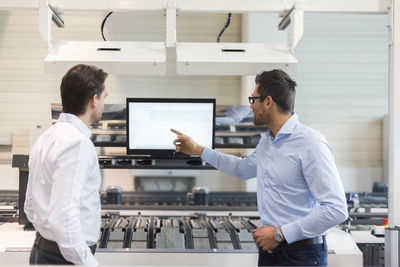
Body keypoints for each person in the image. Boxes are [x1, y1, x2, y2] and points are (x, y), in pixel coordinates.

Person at [171, 69, 348, 267]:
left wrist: (280, 234)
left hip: (302, 255)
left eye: (253, 99)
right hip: (270, 250)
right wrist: (199, 150)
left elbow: (336, 209)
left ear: (268, 102)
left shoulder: (310, 143)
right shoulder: (268, 141)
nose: (250, 105)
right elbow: (243, 168)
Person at [24, 64, 108, 265]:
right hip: (63, 258)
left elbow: (29, 205)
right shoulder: (77, 144)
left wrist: (48, 235)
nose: (105, 103)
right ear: (94, 100)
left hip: (44, 250)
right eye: (105, 96)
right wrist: (88, 262)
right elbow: (64, 217)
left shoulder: (46, 137)